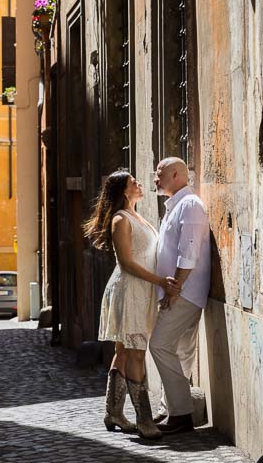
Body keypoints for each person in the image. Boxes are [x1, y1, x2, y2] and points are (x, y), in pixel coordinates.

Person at [84, 169, 179, 440]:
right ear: (125, 191)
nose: (139, 184)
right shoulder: (120, 220)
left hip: (143, 289)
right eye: (133, 182)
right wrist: (160, 280)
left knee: (124, 352)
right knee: (136, 353)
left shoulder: (137, 216)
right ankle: (145, 420)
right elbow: (127, 263)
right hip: (130, 290)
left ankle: (113, 412)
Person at [149, 157, 211, 434]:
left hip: (185, 293)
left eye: (159, 173)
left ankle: (182, 415)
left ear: (175, 174)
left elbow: (188, 254)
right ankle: (170, 409)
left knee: (159, 345)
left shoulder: (190, 205)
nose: (155, 179)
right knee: (182, 351)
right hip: (180, 291)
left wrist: (174, 291)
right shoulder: (175, 206)